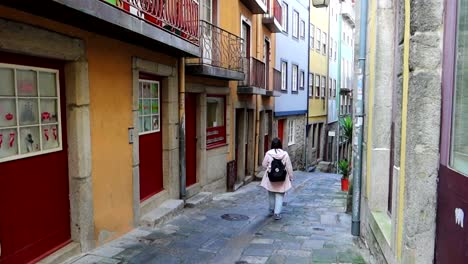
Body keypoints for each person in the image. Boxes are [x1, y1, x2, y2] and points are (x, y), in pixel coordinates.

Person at [260, 137, 294, 220]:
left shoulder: (268, 153)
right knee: (280, 195)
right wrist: (291, 176)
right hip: (282, 177)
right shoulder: (285, 154)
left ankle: (271, 209)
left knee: (271, 193)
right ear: (280, 144)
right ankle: (277, 213)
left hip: (271, 177)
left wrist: (269, 167)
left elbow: (264, 164)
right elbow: (289, 166)